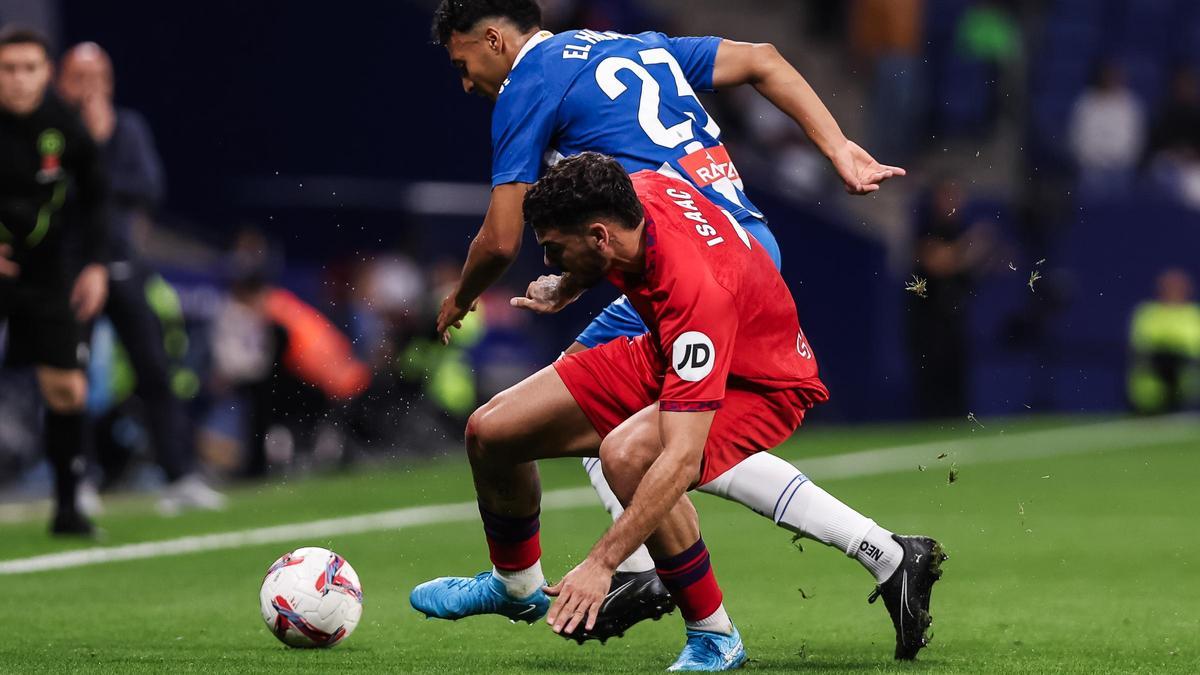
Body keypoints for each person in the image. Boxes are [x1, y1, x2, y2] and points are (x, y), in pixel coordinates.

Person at [426, 0, 923, 653]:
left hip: (694, 269)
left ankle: (646, 577)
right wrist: (840, 151)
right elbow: (765, 60)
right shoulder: (631, 46)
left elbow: (500, 237)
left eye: (464, 64)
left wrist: (458, 298)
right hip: (726, 238)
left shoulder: (528, 82)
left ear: (493, 37)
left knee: (647, 440)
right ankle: (881, 553)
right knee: (624, 427)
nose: (467, 81)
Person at [56, 41, 226, 513]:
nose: (90, 87)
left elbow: (147, 188)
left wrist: (101, 142)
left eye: (98, 77)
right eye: (79, 77)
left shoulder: (126, 127)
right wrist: (86, 142)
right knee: (70, 376)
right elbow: (60, 196)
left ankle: (180, 475)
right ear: (62, 81)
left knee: (154, 369)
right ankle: (78, 480)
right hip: (70, 268)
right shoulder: (51, 130)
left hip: (120, 264)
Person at [0, 27, 109, 536]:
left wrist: (95, 265)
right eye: (9, 69)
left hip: (46, 275)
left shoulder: (63, 126)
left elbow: (97, 196)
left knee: (67, 389)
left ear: (47, 73)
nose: (19, 79)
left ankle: (67, 508)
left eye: (29, 68)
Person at [1128, 268, 1200, 414]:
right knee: (1165, 359)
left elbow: (1194, 346)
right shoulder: (1147, 312)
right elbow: (1142, 343)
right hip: (1154, 372)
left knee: (1177, 361)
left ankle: (1178, 406)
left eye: (1178, 287)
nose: (1173, 291)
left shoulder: (1194, 313)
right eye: (1169, 286)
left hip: (1186, 374)